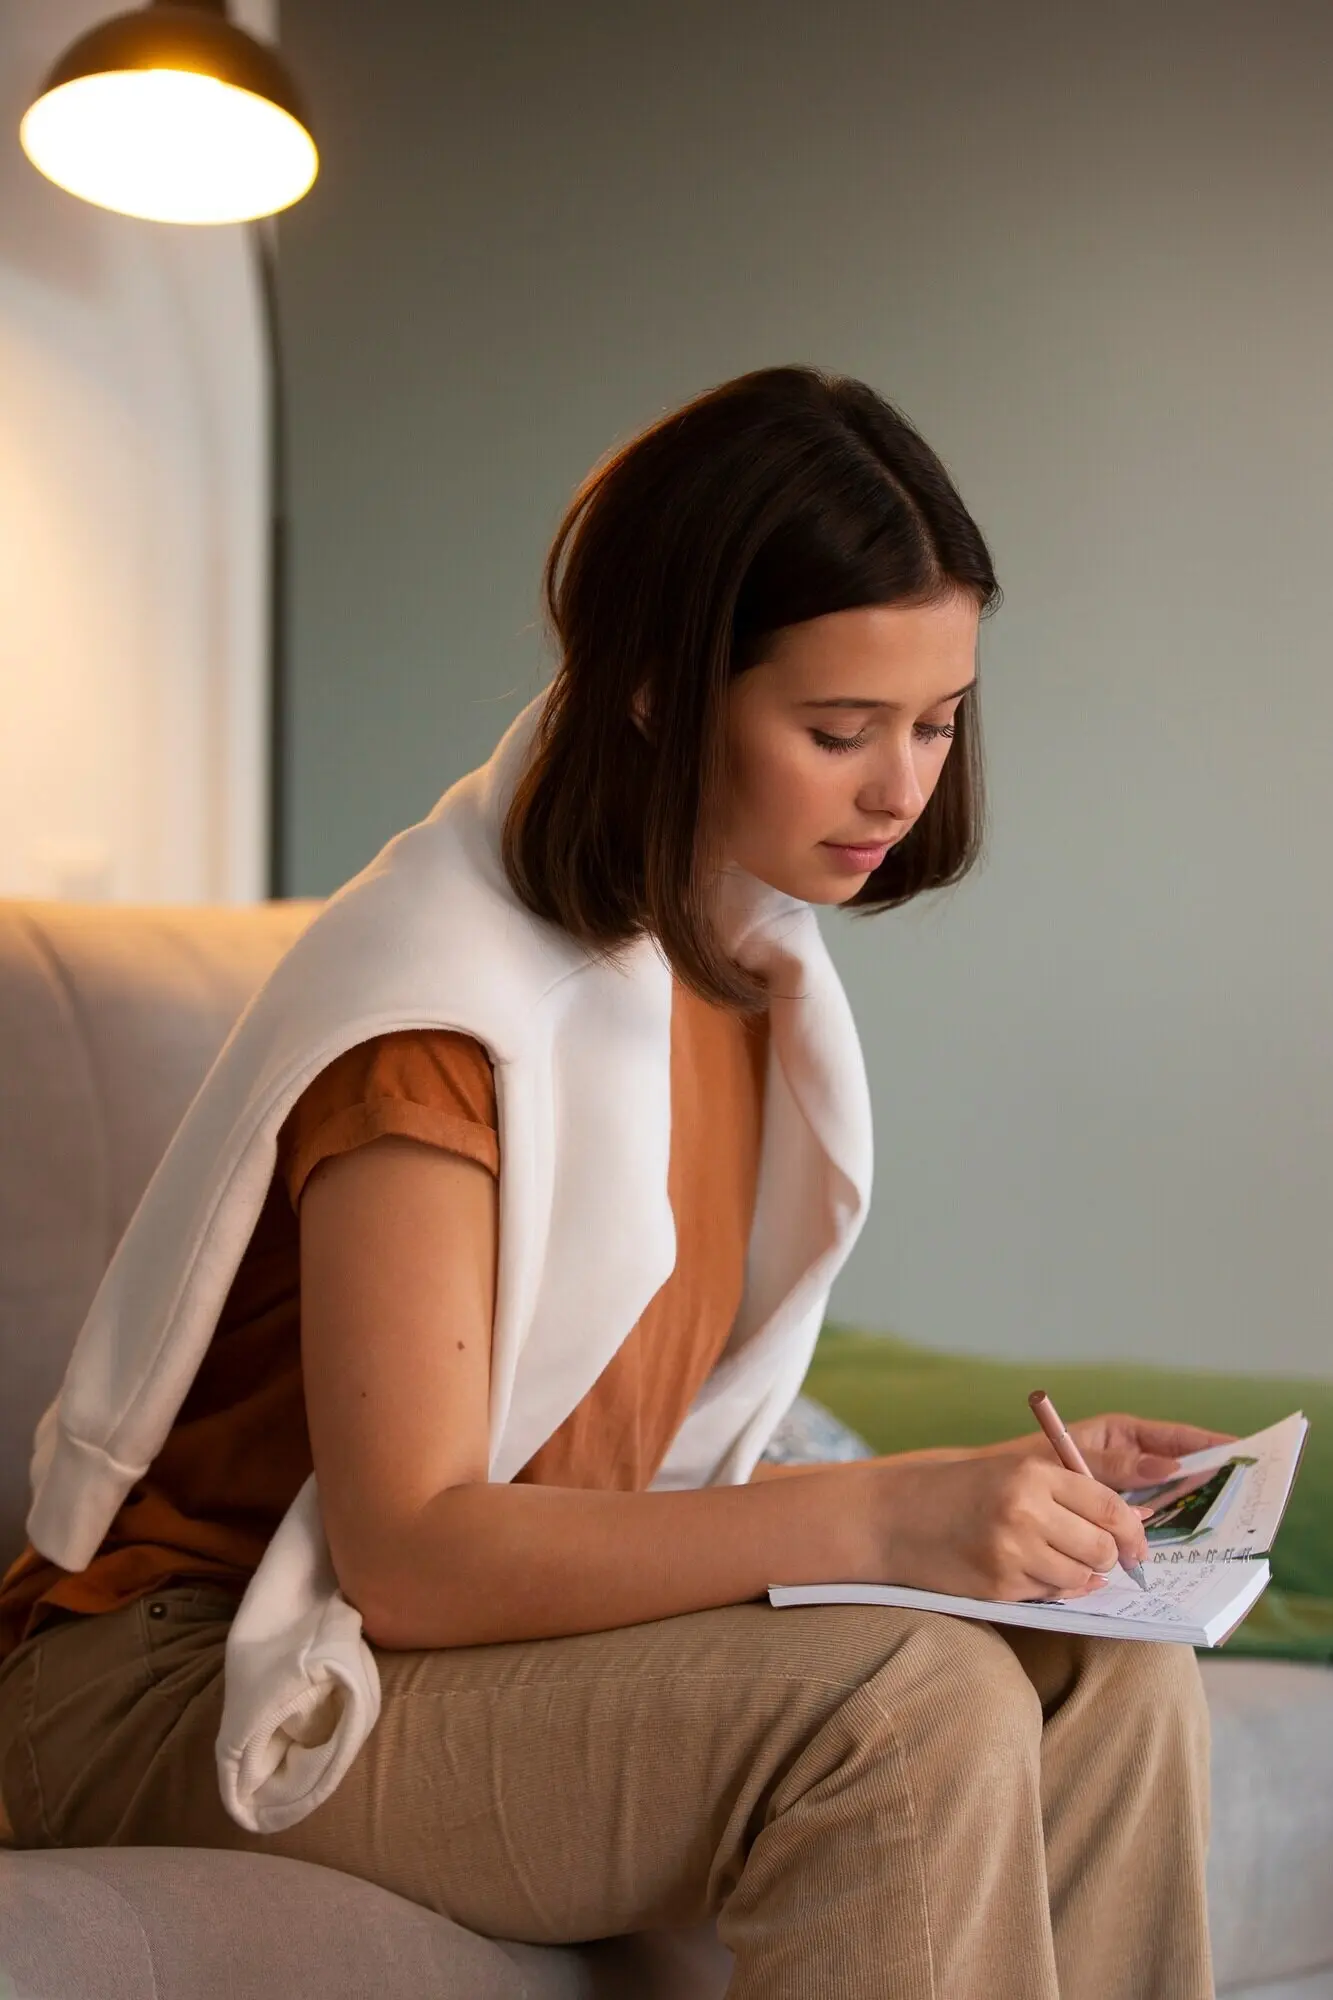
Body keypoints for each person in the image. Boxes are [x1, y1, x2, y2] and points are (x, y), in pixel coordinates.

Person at [0, 365, 1227, 1999]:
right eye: (838, 729)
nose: (901, 788)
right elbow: (412, 1553)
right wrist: (884, 1512)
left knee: (1111, 1675)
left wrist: (988, 1496)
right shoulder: (440, 1016)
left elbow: (635, 1476)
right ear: (655, 689)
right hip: (195, 1672)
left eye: (937, 723)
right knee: (902, 1705)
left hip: (424, 1643)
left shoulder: (727, 968)